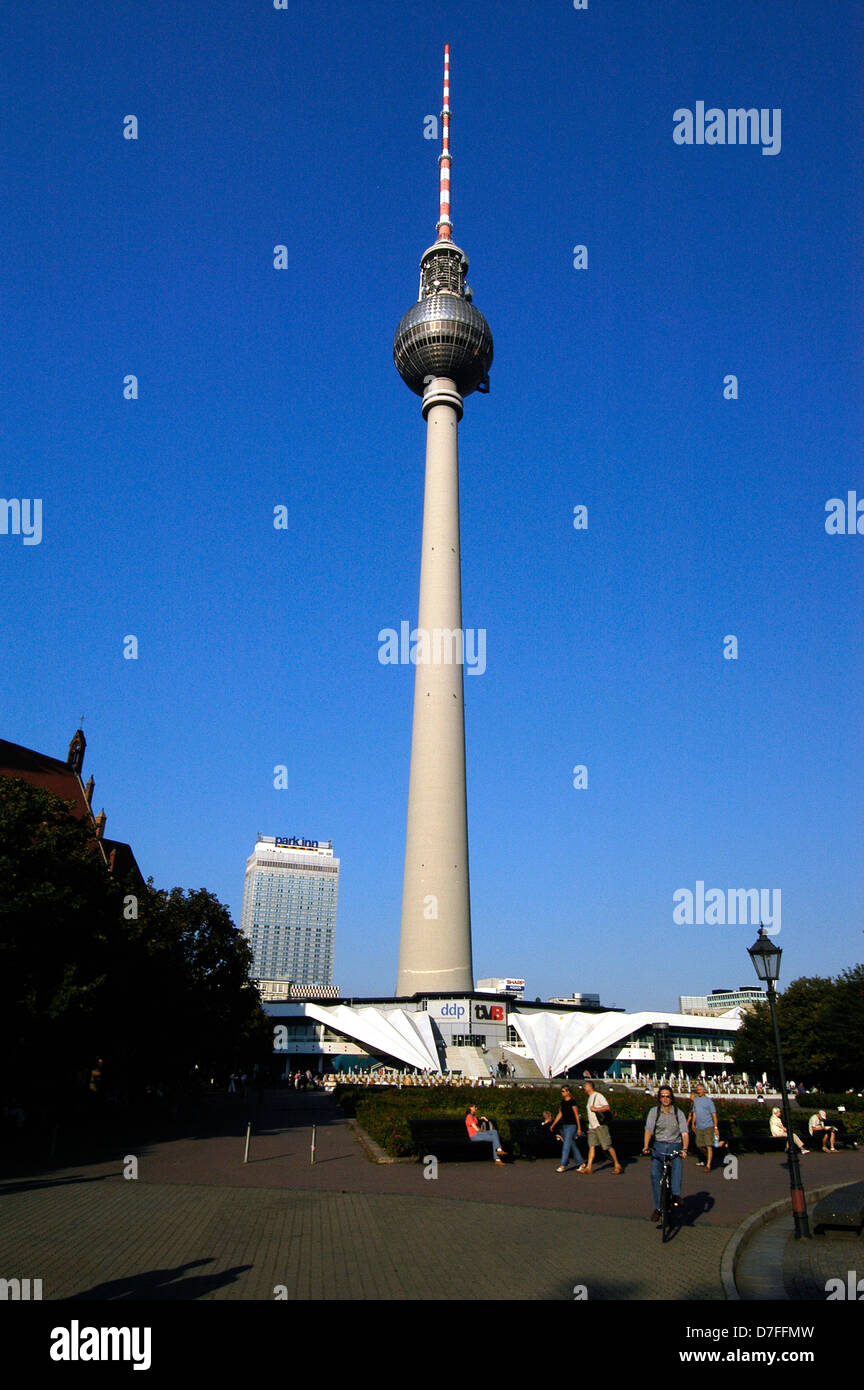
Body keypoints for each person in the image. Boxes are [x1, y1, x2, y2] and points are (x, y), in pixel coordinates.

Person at [642, 1086, 689, 1222]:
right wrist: (646, 1146)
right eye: (662, 1096)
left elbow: (684, 1132)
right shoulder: (654, 1112)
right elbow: (649, 1129)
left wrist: (685, 1149)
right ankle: (658, 1208)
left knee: (677, 1166)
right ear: (659, 1098)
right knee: (654, 1174)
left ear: (671, 1097)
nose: (665, 1099)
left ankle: (676, 1195)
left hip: (675, 1145)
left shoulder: (677, 1113)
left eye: (667, 1096)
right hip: (659, 1146)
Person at [582, 1081, 622, 1174]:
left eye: (585, 1086)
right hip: (592, 1126)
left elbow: (607, 1107)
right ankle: (589, 1167)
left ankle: (617, 1164)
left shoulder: (598, 1096)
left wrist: (596, 1109)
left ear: (589, 1087)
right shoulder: (590, 1098)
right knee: (591, 1146)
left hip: (600, 1126)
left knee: (606, 1146)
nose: (584, 1088)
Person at [548, 1087, 585, 1173]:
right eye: (561, 1091)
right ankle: (581, 1162)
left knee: (566, 1144)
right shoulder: (563, 1102)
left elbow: (576, 1115)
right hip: (564, 1125)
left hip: (572, 1125)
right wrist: (553, 1124)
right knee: (571, 1144)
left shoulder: (573, 1102)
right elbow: (560, 1114)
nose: (562, 1093)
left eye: (563, 1091)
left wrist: (579, 1128)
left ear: (568, 1092)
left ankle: (563, 1164)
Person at [688, 1083, 720, 1171]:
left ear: (704, 1090)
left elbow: (714, 1115)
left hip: (708, 1126)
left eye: (700, 1090)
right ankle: (708, 1157)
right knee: (700, 1145)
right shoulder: (696, 1100)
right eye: (697, 1090)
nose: (698, 1091)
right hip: (699, 1126)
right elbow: (694, 1113)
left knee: (709, 1145)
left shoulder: (709, 1101)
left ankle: (708, 1165)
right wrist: (693, 1123)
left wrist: (716, 1127)